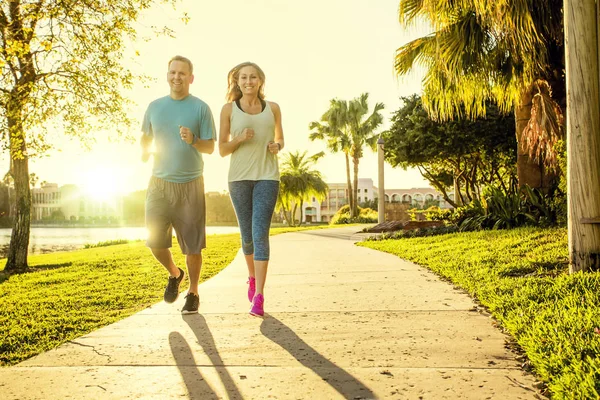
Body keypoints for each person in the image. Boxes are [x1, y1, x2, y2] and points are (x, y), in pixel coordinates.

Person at [141, 55, 216, 314]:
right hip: (158, 183)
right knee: (154, 241)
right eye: (172, 72)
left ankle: (193, 292)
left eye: (182, 73)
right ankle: (175, 273)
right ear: (167, 75)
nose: (177, 77)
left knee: (193, 246)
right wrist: (143, 151)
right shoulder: (154, 106)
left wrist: (194, 139)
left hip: (190, 184)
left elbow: (210, 147)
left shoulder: (201, 108)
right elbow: (144, 136)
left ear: (191, 78)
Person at [218, 62, 284, 317]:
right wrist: (239, 139)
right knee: (246, 236)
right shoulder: (228, 110)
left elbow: (280, 138)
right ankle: (252, 277)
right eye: (243, 77)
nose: (248, 81)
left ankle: (259, 297)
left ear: (260, 80)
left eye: (253, 77)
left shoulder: (273, 108)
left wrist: (277, 146)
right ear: (237, 81)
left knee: (260, 233)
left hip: (268, 177)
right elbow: (222, 149)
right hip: (238, 179)